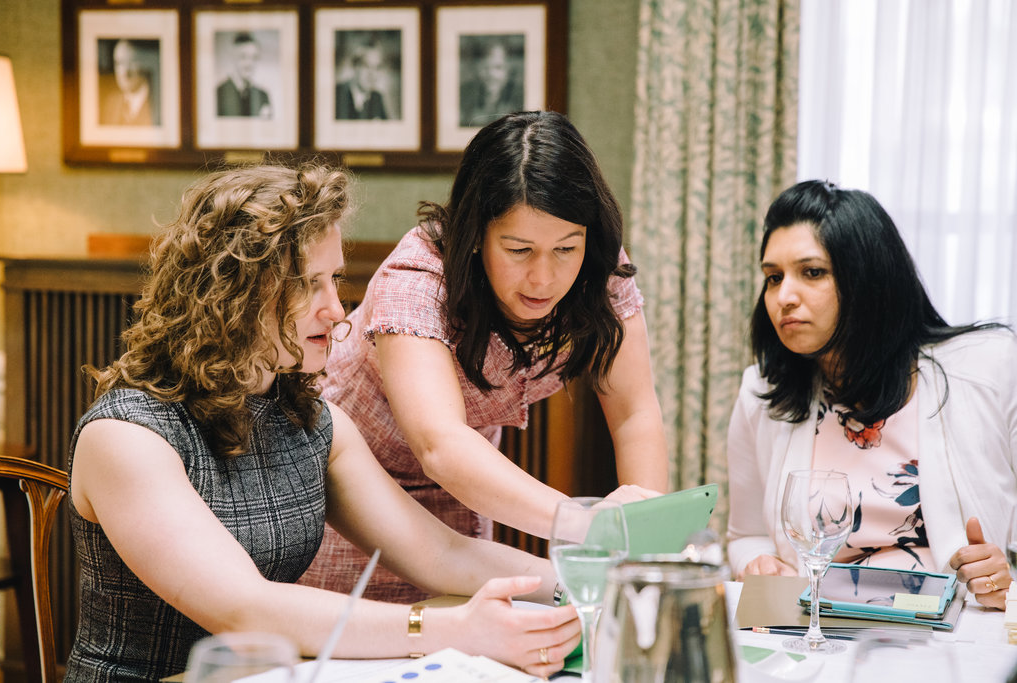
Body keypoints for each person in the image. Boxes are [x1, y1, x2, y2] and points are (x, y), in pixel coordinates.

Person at [65, 162, 580, 681]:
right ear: (232, 293)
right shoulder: (126, 436)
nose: (338, 310)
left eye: (333, 279)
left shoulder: (312, 423)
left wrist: (581, 583)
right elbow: (245, 609)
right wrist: (454, 629)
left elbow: (441, 553)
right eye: (309, 284)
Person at [298, 110, 669, 603]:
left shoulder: (601, 268)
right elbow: (442, 445)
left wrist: (648, 548)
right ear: (475, 236)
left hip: (468, 490)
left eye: (565, 248)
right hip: (349, 487)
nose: (543, 277)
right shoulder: (417, 277)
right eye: (519, 250)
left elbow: (634, 414)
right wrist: (583, 523)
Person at [725, 179, 1016, 610]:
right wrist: (757, 564)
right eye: (773, 277)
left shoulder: (986, 367)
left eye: (812, 272)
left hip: (951, 638)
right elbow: (745, 536)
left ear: (867, 278)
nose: (783, 296)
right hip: (818, 634)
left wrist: (1002, 571)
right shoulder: (762, 393)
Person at [459, 39, 524, 127]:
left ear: (509, 70)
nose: (491, 74)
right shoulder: (463, 95)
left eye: (498, 67)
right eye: (484, 67)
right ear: (476, 69)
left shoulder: (521, 96)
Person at [99, 38, 158, 126]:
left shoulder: (158, 104)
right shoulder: (110, 104)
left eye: (132, 62)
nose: (124, 72)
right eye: (119, 63)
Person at [216, 31, 272, 118]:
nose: (249, 63)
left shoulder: (263, 96)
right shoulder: (218, 93)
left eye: (254, 58)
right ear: (233, 58)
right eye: (243, 56)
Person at [335, 42, 388, 120]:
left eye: (377, 68)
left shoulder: (376, 97)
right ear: (354, 67)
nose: (372, 74)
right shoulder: (337, 94)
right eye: (366, 66)